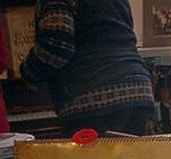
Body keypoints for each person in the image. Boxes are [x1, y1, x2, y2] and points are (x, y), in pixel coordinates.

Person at [20, 0, 155, 137]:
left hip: (93, 93)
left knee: (90, 158)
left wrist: (28, 71)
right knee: (132, 157)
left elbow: (56, 48)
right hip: (137, 88)